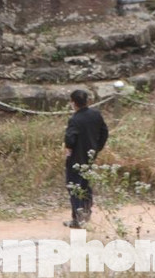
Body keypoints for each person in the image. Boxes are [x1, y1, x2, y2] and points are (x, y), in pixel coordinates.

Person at [63, 88, 108, 228]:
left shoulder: (75, 119)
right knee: (85, 185)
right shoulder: (96, 114)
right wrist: (97, 148)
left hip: (76, 157)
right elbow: (104, 132)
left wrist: (68, 151)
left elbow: (70, 139)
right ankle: (87, 212)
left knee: (74, 187)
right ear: (87, 101)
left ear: (73, 102)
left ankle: (78, 218)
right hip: (90, 156)